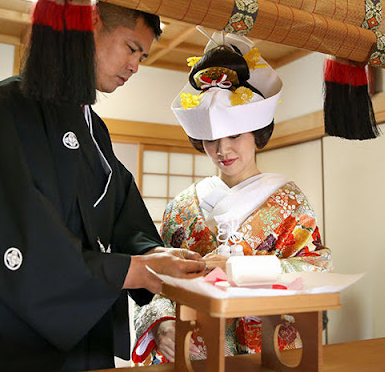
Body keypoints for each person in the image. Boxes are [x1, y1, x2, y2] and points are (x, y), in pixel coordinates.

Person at [0, 0, 205, 372]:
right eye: (131, 48)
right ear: (90, 25)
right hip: (1, 349)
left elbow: (122, 214)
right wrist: (132, 270)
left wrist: (152, 256)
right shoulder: (2, 110)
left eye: (142, 57)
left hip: (79, 345)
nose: (135, 66)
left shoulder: (94, 129)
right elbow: (13, 243)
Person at [132, 32, 332, 365]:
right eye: (210, 139)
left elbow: (318, 268)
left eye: (235, 136)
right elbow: (160, 276)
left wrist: (242, 267)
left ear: (257, 133)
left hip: (265, 351)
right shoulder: (181, 207)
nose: (222, 150)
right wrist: (162, 326)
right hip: (192, 348)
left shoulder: (289, 202)